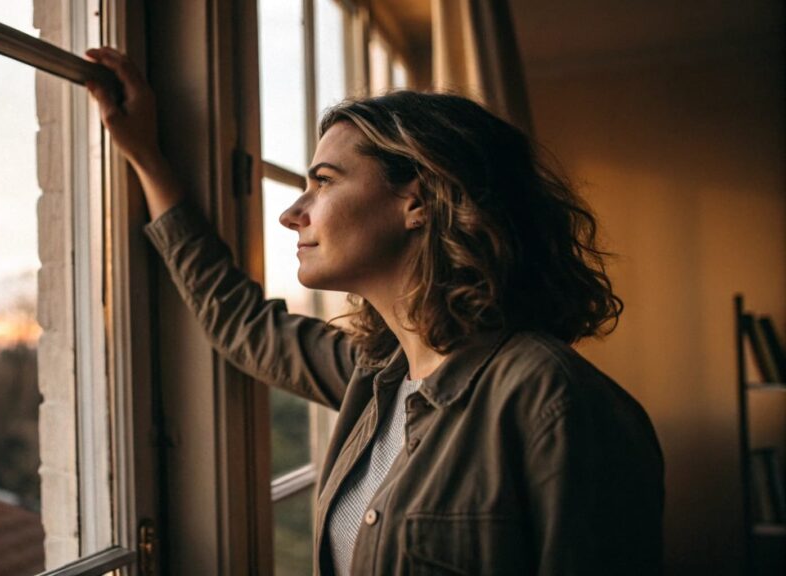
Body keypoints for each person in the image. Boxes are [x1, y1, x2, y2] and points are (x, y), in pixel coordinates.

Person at [84, 46, 664, 575]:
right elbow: (242, 325)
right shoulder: (377, 375)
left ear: (417, 200)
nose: (292, 213)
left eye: (325, 181)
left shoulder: (557, 403)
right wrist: (147, 158)